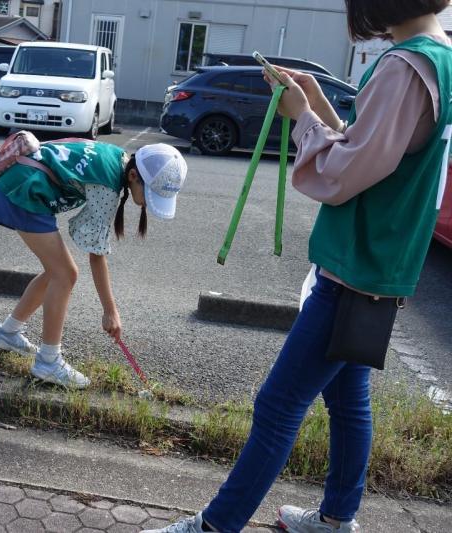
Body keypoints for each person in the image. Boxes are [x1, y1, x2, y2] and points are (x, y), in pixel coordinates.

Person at [145, 1, 452, 532]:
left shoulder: (405, 67)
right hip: (381, 266)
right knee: (348, 397)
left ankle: (217, 526)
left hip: (353, 267)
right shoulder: (440, 59)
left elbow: (342, 171)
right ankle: (335, 521)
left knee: (278, 406)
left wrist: (300, 118)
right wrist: (316, 103)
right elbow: (373, 152)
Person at [0, 139, 187, 388]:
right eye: (149, 195)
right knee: (65, 275)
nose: (147, 203)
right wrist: (110, 311)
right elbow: (96, 255)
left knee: (57, 272)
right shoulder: (108, 185)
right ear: (133, 175)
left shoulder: (116, 156)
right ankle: (48, 361)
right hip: (25, 191)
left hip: (25, 182)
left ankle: (8, 333)